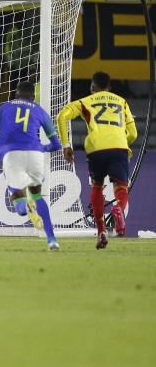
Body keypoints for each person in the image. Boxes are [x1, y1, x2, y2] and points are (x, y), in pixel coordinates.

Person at [57, 71, 137, 249]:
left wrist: (66, 145)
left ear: (93, 87)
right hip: (118, 147)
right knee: (121, 188)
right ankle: (118, 209)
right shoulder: (121, 102)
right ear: (110, 88)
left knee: (97, 187)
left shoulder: (85, 101)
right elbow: (133, 133)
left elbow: (61, 116)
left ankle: (101, 231)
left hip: (96, 148)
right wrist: (124, 142)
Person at [0, 82, 63, 250]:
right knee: (37, 195)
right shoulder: (39, 110)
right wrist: (42, 148)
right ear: (33, 97)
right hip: (35, 155)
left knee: (19, 201)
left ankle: (27, 205)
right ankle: (52, 239)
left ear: (16, 95)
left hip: (12, 154)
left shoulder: (4, 108)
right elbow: (56, 144)